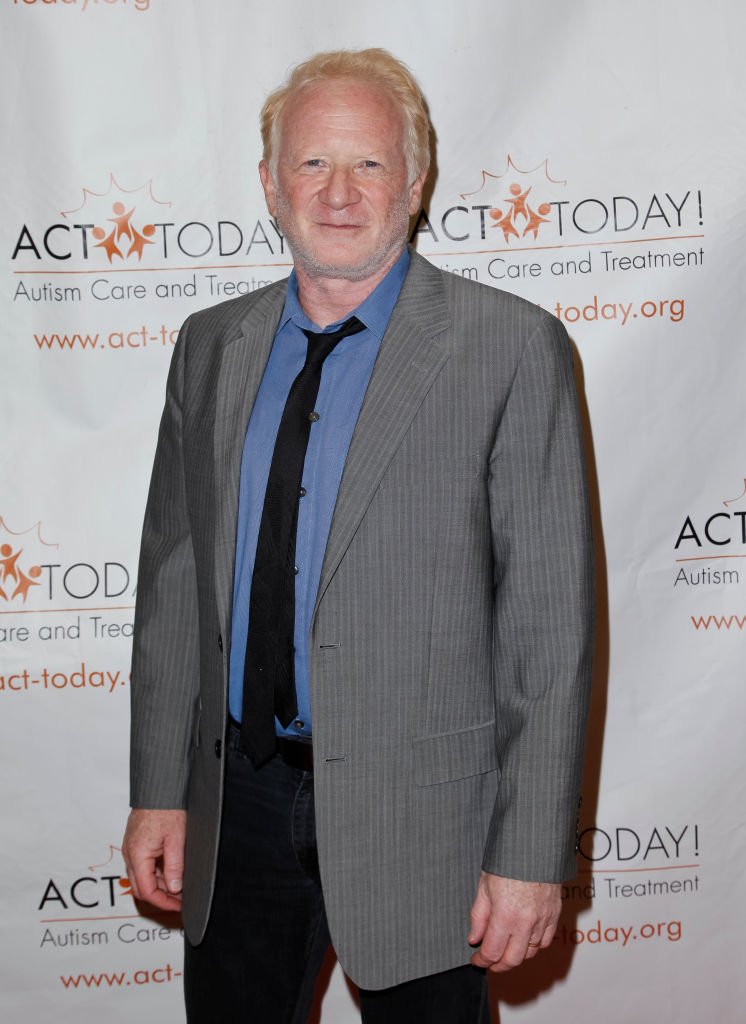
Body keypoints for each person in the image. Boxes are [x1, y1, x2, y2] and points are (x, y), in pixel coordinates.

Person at [122, 48, 594, 1023]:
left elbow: (548, 634)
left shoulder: (510, 349)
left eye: (368, 165)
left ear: (414, 182)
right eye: (311, 165)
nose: (338, 194)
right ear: (267, 182)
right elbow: (173, 585)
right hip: (238, 804)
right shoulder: (210, 347)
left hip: (428, 818)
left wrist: (527, 856)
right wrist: (159, 789)